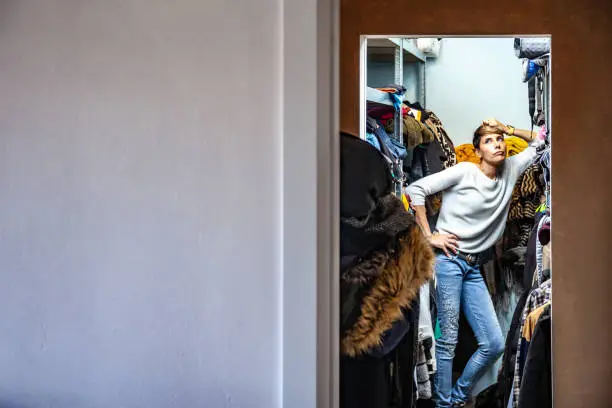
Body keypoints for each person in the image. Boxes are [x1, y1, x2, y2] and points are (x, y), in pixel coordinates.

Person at [404, 118, 544, 408]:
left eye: (499, 139)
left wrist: (508, 129)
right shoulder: (466, 171)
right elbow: (415, 190)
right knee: (448, 339)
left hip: (474, 266)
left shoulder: (512, 169)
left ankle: (456, 398)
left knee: (493, 343)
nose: (498, 145)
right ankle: (444, 404)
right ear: (478, 151)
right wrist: (430, 236)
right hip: (450, 262)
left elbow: (543, 139)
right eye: (489, 141)